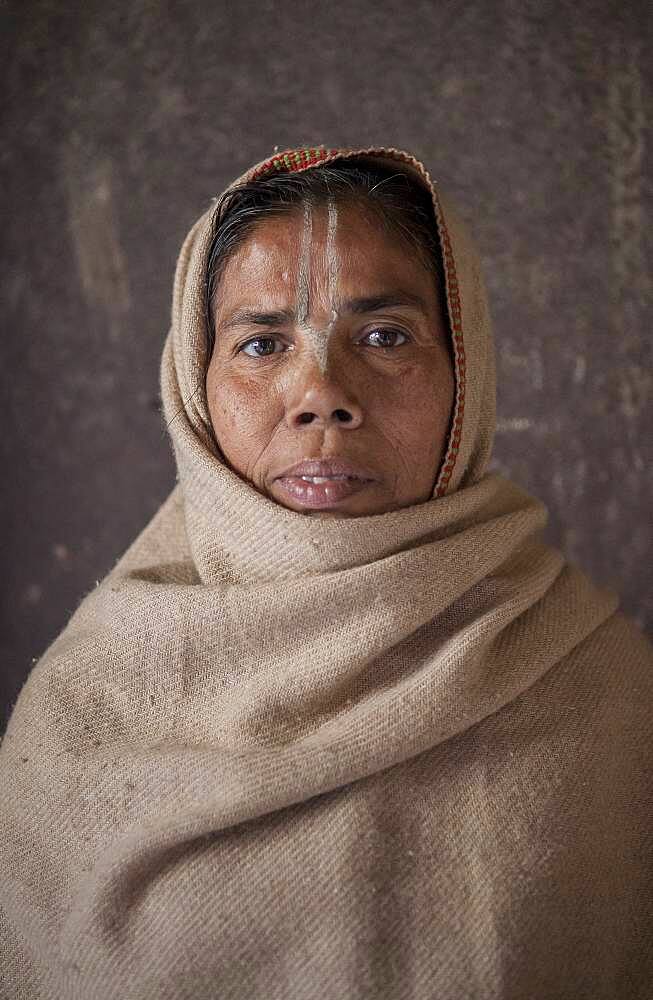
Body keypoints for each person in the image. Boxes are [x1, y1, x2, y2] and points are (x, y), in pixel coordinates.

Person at [0, 145, 651, 999]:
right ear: (194, 386)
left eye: (384, 336)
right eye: (262, 343)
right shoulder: (85, 708)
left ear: (469, 374)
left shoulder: (603, 693)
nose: (319, 392)